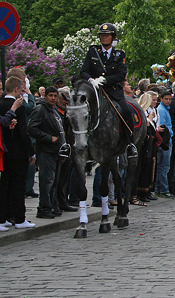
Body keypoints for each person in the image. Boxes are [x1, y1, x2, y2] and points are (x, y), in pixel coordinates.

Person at [79, 23, 137, 157]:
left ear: (113, 37)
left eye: (107, 35)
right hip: (95, 90)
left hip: (112, 91)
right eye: (102, 35)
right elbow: (84, 71)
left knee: (126, 111)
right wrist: (91, 80)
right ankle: (73, 143)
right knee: (77, 110)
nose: (104, 38)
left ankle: (130, 143)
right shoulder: (93, 52)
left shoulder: (119, 54)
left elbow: (121, 75)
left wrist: (105, 80)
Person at [0, 76, 36, 229]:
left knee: (5, 185)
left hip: (4, 152)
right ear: (16, 90)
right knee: (18, 186)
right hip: (18, 151)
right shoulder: (19, 107)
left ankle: (4, 217)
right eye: (21, 90)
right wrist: (31, 152)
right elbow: (22, 132)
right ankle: (20, 218)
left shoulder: (1, 104)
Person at [28, 86, 69, 219]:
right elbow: (32, 129)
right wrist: (49, 138)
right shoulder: (40, 109)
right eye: (50, 95)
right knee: (47, 181)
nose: (53, 98)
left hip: (56, 151)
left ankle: (52, 205)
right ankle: (44, 208)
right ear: (45, 96)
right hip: (46, 150)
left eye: (55, 96)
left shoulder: (53, 110)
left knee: (54, 181)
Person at [155, 90, 174, 198]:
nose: (168, 101)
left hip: (168, 140)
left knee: (163, 166)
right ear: (161, 99)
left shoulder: (166, 109)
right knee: (164, 166)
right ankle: (163, 189)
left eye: (169, 99)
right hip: (165, 141)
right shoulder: (161, 110)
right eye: (166, 99)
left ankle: (160, 188)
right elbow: (162, 127)